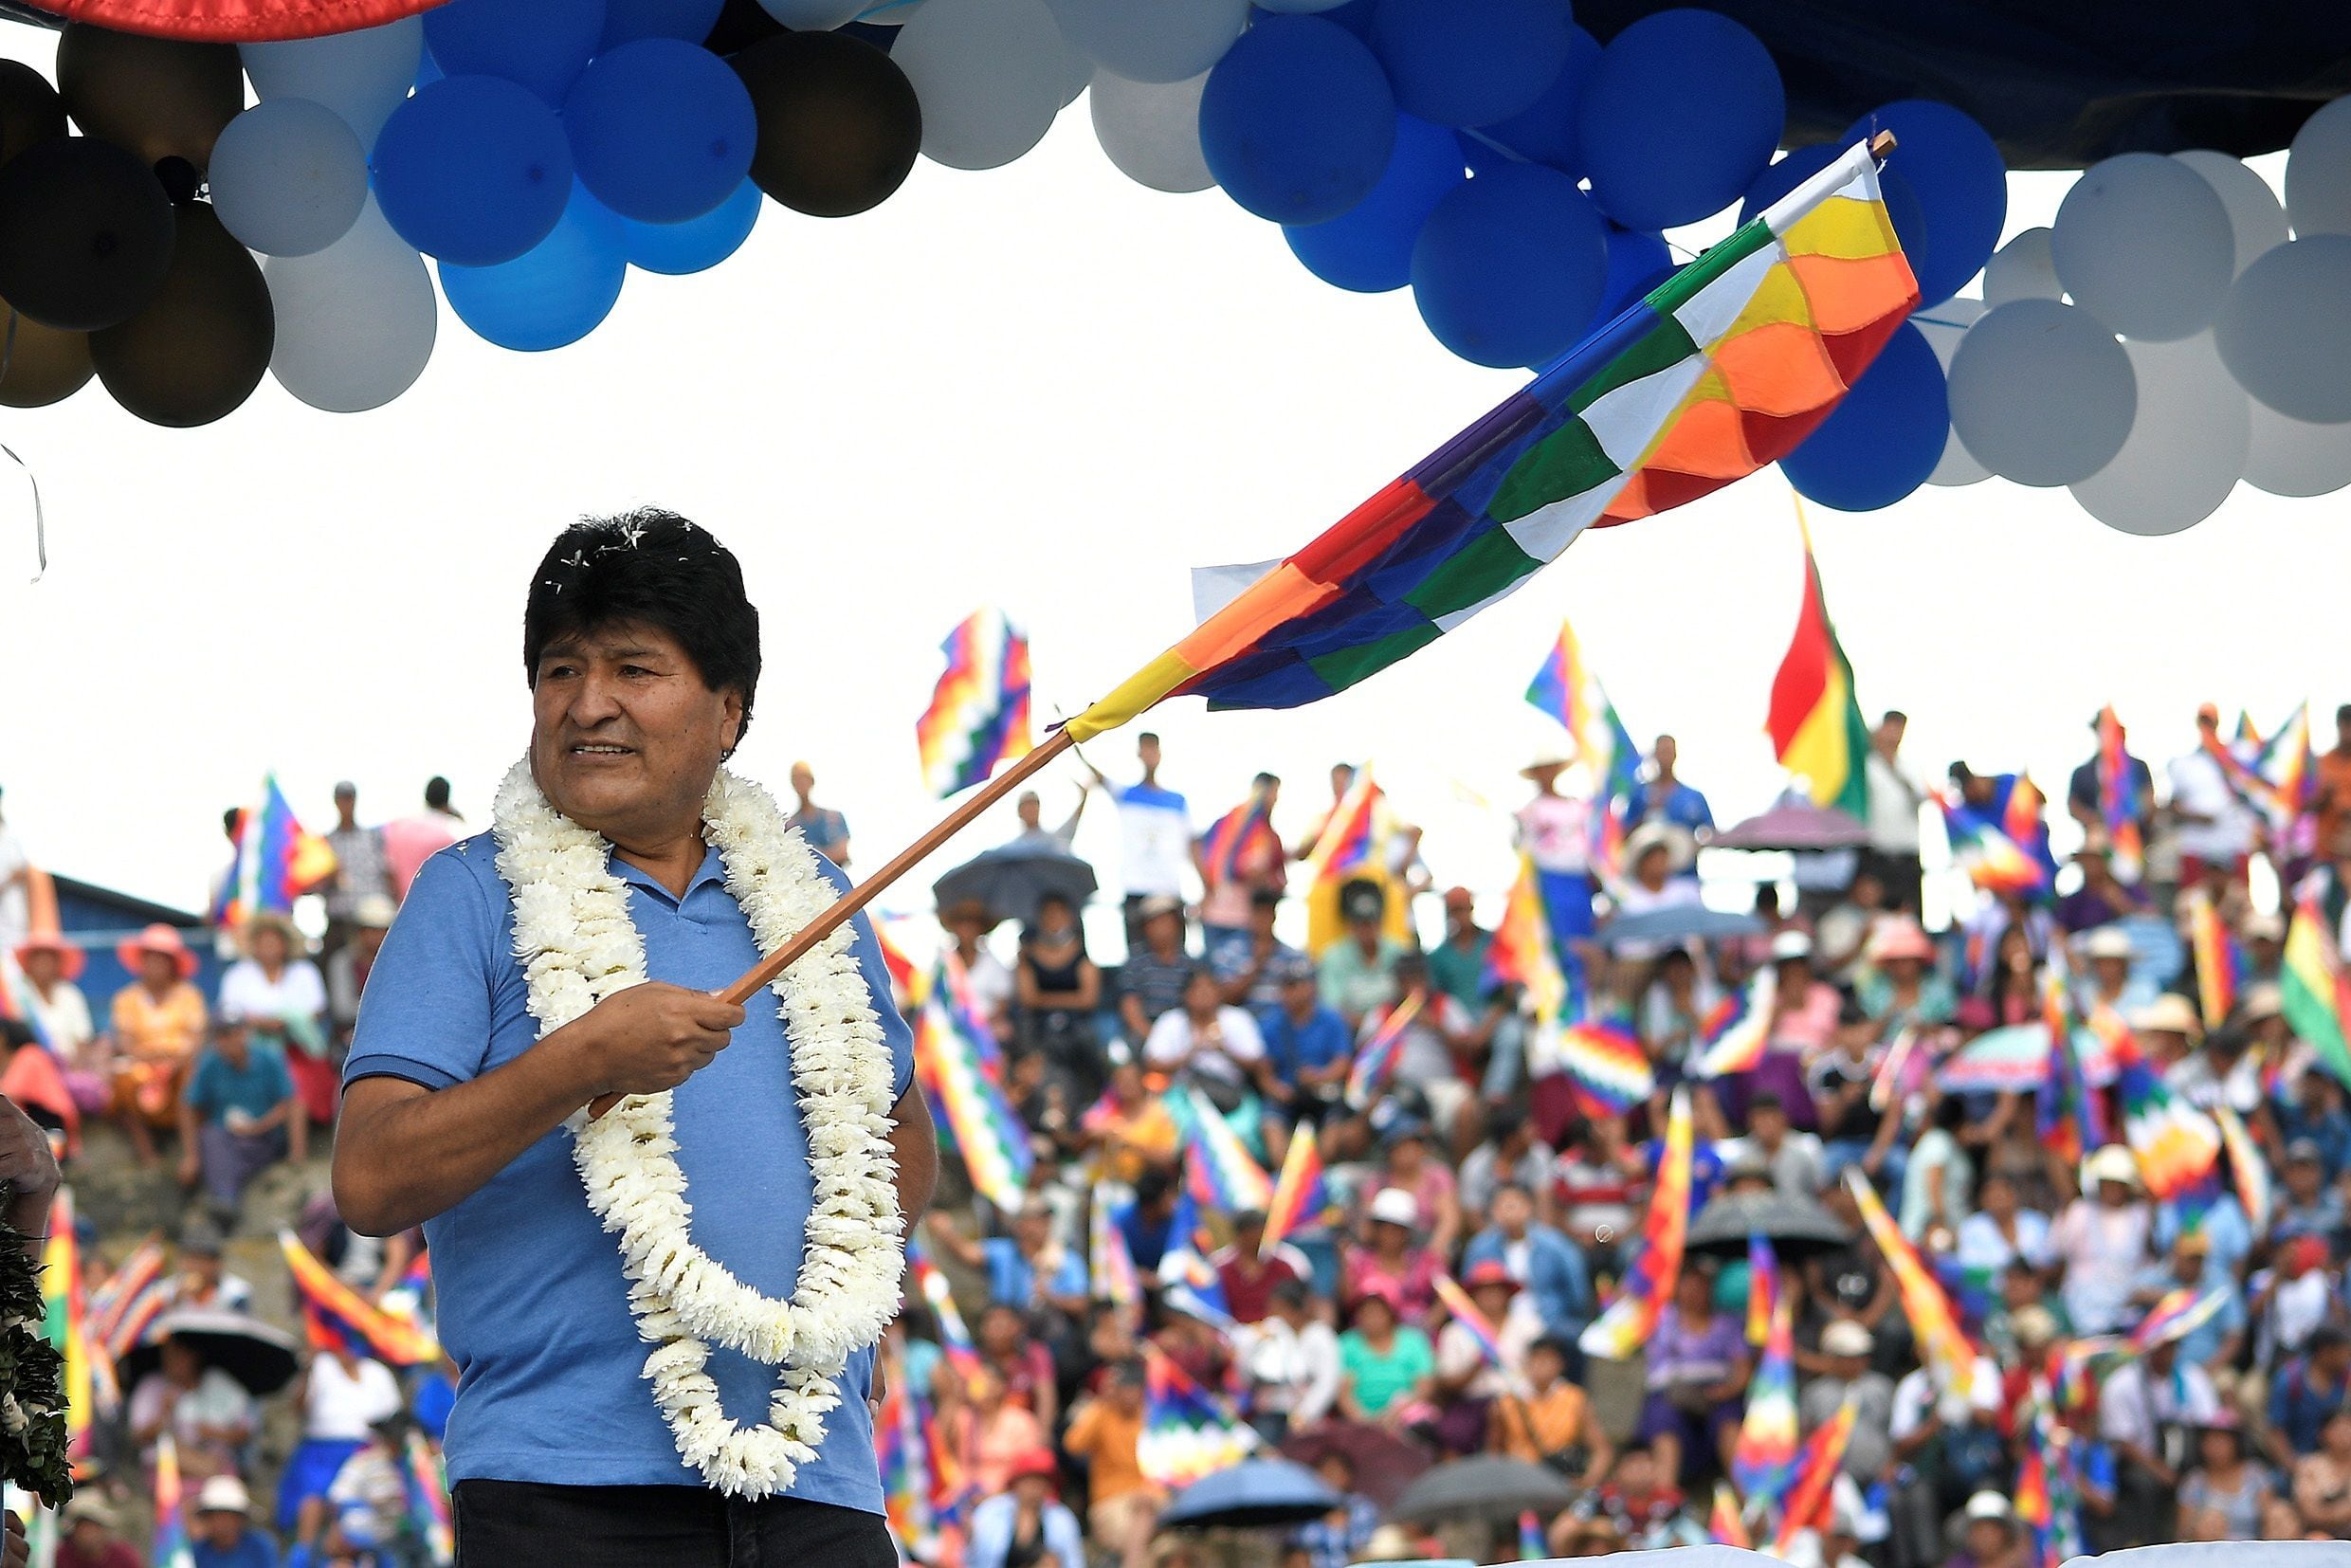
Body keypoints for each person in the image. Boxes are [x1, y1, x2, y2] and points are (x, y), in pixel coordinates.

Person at [332, 513, 936, 1564]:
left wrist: (859, 1290)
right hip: (563, 1496)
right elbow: (371, 1178)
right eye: (560, 669)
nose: (588, 703)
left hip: (818, 1488)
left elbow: (896, 1139)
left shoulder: (813, 899)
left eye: (633, 667)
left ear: (728, 711)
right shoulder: (470, 892)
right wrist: (579, 1061)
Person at [279, 1338, 405, 1548]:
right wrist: (307, 1370)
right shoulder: (319, 1366)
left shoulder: (378, 1373)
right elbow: (298, 1409)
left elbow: (394, 1420)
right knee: (312, 1501)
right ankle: (303, 1556)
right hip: (319, 1454)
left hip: (367, 1453)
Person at [1636, 1260, 1749, 1490]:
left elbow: (1742, 1369)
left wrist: (1727, 1390)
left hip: (1719, 1394)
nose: (1694, 1292)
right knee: (1665, 1425)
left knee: (1729, 1425)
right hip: (1671, 1394)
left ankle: (1749, 1501)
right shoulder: (1660, 1318)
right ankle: (1663, 1500)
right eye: (1689, 1285)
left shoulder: (1729, 1323)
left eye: (1701, 1285)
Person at [218, 911, 335, 1125]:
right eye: (263, 942)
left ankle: (298, 1148)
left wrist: (288, 1022)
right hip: (251, 1050)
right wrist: (262, 1023)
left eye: (274, 942)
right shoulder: (237, 974)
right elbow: (229, 1013)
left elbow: (318, 1010)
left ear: (285, 944)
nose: (269, 947)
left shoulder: (304, 971)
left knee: (297, 1082)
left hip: (299, 1050)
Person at [179, 1016, 303, 1213]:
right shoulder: (210, 1061)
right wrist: (190, 1156)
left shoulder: (269, 1057)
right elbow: (188, 1105)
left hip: (265, 1137)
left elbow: (291, 1103)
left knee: (230, 1155)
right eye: (220, 1036)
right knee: (212, 1138)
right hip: (224, 1137)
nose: (226, 1042)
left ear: (244, 1033)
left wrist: (296, 1153)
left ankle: (224, 1197)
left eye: (231, 1034)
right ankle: (224, 1199)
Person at [107, 921, 208, 1164]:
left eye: (162, 959)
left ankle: (189, 1155)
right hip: (142, 1065)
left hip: (180, 1064)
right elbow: (124, 1040)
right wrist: (152, 1062)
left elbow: (197, 1040)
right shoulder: (126, 998)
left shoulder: (189, 995)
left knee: (190, 1079)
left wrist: (172, 1063)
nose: (155, 965)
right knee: (122, 1083)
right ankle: (147, 1152)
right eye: (150, 958)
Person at [1085, 734, 1191, 948]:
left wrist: (1208, 887)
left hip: (1168, 889)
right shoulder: (1125, 794)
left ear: (1159, 754)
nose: (1150, 755)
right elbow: (1096, 771)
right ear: (1139, 754)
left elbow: (1193, 843)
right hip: (1136, 888)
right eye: (1146, 749)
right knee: (1137, 958)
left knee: (1175, 959)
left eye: (1153, 749)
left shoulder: (1177, 801)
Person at [1463, 1180, 1591, 1346]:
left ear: (1529, 1207)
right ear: (1492, 1212)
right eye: (1502, 1206)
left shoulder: (1556, 1245)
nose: (1508, 1212)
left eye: (1514, 1205)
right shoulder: (1479, 1248)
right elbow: (1469, 1292)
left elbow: (1577, 1292)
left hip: (1549, 1322)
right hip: (1498, 1324)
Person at [1060, 1363, 1158, 1568]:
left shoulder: (1152, 1416)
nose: (1130, 1394)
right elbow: (1073, 1444)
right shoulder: (1103, 1413)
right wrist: (1101, 1401)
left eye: (1134, 1388)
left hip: (1152, 1497)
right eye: (1124, 1388)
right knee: (1145, 1538)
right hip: (1111, 1500)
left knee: (1147, 1508)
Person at [128, 1331, 259, 1482]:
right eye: (168, 1354)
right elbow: (139, 1435)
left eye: (179, 1355)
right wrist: (164, 1413)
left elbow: (247, 1430)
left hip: (216, 1466)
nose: (171, 1361)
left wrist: (214, 1433)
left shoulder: (217, 1383)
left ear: (194, 1356)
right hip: (171, 1470)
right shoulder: (152, 1385)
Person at [2052, 1145, 2153, 1336]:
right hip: (2081, 1307)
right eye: (2107, 1182)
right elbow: (2056, 1251)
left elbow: (2147, 1261)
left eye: (2117, 1183)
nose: (2112, 1189)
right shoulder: (2079, 1212)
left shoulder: (2141, 1216)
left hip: (2124, 1312)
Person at [1196, 775, 1285, 970]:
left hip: (1244, 919)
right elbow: (1199, 849)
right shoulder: (1228, 826)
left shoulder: (1268, 836)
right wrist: (1207, 887)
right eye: (1273, 793)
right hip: (1218, 915)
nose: (1274, 799)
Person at [1516, 748, 1595, 957]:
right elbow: (1525, 850)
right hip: (1548, 879)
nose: (1547, 774)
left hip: (1579, 879)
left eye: (1550, 769)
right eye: (1542, 770)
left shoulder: (1577, 806)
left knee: (1583, 935)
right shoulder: (1529, 810)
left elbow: (1592, 844)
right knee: (1556, 937)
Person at [1238, 1280, 1342, 1438]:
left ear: (1298, 1308)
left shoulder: (1321, 1336)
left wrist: (1305, 1414)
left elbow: (1327, 1382)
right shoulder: (1268, 1333)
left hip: (1311, 1416)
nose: (1275, 1315)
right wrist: (1246, 1346)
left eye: (1281, 1309)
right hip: (1271, 1413)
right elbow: (1247, 1378)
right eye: (1272, 1309)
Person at [2169, 705, 2260, 886]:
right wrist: (2196, 816)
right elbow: (2173, 806)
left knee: (2238, 901)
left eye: (2210, 721)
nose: (2207, 725)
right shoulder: (2184, 764)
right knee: (2195, 903)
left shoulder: (2238, 757)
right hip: (2197, 845)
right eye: (2203, 721)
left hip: (2233, 842)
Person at [14, 931, 101, 1111]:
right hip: (29, 1071)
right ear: (29, 963)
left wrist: (73, 1069)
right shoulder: (18, 994)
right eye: (39, 958)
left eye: (49, 959)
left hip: (66, 1070)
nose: (44, 964)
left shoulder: (70, 994)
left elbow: (82, 1041)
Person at [1333, 1283, 1433, 1431]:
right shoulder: (1347, 1345)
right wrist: (1367, 1421)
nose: (1371, 1317)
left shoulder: (1413, 1341)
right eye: (1365, 1311)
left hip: (1406, 1418)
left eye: (1377, 1311)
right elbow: (1344, 1394)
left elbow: (1425, 1387)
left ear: (1391, 1312)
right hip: (1361, 1423)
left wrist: (1395, 1414)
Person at [965, 1449, 1084, 1568]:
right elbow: (971, 1559)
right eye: (1030, 1480)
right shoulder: (990, 1512)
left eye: (1041, 1481)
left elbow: (1074, 1562)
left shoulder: (1062, 1519)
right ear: (1017, 1481)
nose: (1034, 1487)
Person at [1316, 878, 1404, 1030]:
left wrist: (1384, 1030)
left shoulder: (1399, 952)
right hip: (1350, 1034)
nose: (1366, 930)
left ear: (1380, 922)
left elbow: (1411, 999)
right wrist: (1370, 1027)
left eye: (1371, 922)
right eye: (1360, 924)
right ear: (1351, 925)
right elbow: (1332, 1007)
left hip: (1395, 1032)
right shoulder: (1333, 956)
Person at [1864, 711, 1926, 912]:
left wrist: (1894, 768)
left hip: (1908, 857)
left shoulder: (1909, 767)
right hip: (1879, 857)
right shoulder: (1868, 767)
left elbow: (1922, 797)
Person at [322, 781, 394, 950]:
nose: (346, 804)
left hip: (371, 922)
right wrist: (329, 878)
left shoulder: (373, 838)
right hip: (339, 921)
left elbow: (388, 874)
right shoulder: (326, 843)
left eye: (349, 799)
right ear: (336, 802)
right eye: (342, 799)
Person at [1118, 895, 1194, 1044]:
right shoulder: (1135, 963)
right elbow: (1130, 1006)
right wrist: (1155, 1039)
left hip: (1183, 1034)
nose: (1162, 927)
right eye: (1155, 922)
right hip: (1145, 1032)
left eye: (1167, 921)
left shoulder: (1191, 964)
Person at [325, 893, 396, 1049]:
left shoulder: (398, 963)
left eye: (383, 930)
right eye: (371, 930)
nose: (377, 936)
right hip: (351, 1038)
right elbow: (342, 1008)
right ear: (360, 932)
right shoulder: (343, 962)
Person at [1288, 1452, 1379, 1568]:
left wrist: (1343, 1526)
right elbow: (1296, 1548)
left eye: (1336, 1472)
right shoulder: (1305, 1508)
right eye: (1325, 1472)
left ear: (1348, 1476)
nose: (1330, 1477)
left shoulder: (1361, 1507)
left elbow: (1367, 1546)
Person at [383, 776, 466, 898]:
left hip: (400, 906)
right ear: (447, 798)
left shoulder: (397, 827)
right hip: (434, 905)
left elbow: (388, 870)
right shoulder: (452, 831)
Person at [193, 1475, 281, 1568]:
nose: (222, 1522)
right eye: (216, 1516)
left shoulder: (260, 1547)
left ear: (240, 1518)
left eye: (227, 1516)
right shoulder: (197, 1551)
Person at [2293, 1406, 2351, 1538]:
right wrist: (2345, 1512)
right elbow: (2310, 1513)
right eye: (2338, 1428)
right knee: (2317, 1538)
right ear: (2323, 1433)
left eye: (2349, 1427)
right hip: (2322, 1534)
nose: (2345, 1433)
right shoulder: (2309, 1466)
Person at [785, 760, 849, 867]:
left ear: (811, 781)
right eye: (796, 779)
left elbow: (842, 853)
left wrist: (811, 856)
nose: (801, 784)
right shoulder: (790, 825)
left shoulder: (833, 818)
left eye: (804, 778)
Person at [52, 1498, 138, 1568]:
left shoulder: (124, 1557)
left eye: (92, 1527)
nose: (87, 1534)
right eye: (82, 1527)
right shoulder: (61, 1556)